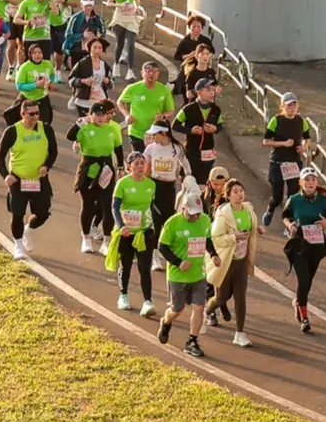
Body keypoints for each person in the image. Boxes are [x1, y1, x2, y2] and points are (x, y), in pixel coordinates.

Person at [155, 184, 217, 358]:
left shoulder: (205, 220)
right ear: (183, 209)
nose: (195, 217)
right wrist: (178, 262)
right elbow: (162, 247)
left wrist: (213, 254)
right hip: (178, 276)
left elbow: (207, 239)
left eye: (198, 213)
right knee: (177, 310)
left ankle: (192, 341)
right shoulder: (173, 224)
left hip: (198, 274)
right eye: (192, 213)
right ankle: (166, 322)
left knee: (199, 307)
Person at [0, 103, 58, 260]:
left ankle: (28, 229)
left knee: (43, 213)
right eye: (31, 114)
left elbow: (53, 151)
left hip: (39, 180)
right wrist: (5, 175)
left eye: (37, 113)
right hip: (18, 180)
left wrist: (47, 166)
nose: (35, 117)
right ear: (23, 114)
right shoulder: (12, 131)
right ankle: (18, 245)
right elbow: (0, 154)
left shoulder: (46, 129)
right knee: (18, 213)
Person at [205, 178, 259, 348]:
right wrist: (234, 237)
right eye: (235, 192)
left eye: (241, 191)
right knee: (221, 298)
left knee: (241, 297)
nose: (239, 194)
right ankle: (206, 310)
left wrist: (259, 230)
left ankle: (240, 333)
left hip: (241, 261)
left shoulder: (248, 210)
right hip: (226, 262)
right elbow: (215, 239)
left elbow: (252, 228)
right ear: (228, 196)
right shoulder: (223, 215)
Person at [66, 99, 123, 254]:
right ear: (90, 115)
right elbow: (70, 136)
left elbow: (118, 148)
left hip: (106, 169)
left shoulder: (111, 129)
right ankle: (86, 239)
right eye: (97, 115)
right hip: (89, 169)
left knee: (107, 205)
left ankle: (106, 241)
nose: (100, 118)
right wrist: (80, 123)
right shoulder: (85, 128)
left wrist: (122, 167)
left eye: (103, 115)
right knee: (88, 206)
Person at [280, 166, 326, 330]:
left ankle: (298, 302)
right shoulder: (294, 199)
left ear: (317, 182)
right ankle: (304, 318)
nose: (310, 183)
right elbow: (285, 215)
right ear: (300, 182)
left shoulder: (324, 200)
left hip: (316, 245)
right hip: (299, 243)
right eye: (307, 180)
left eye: (313, 180)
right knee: (303, 279)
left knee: (308, 280)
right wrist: (290, 225)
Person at [110, 152, 158, 314]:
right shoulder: (122, 183)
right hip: (126, 232)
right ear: (129, 166)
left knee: (145, 267)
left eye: (142, 163)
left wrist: (151, 227)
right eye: (136, 163)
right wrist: (121, 225)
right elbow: (115, 207)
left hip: (144, 232)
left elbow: (150, 207)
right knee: (126, 264)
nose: (140, 166)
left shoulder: (151, 185)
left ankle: (147, 301)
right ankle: (123, 295)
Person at [260, 93, 313, 228]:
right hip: (277, 162)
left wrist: (304, 147)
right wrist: (283, 143)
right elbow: (265, 141)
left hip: (294, 162)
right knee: (277, 197)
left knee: (293, 197)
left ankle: (290, 225)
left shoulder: (302, 121)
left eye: (294, 104)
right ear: (282, 106)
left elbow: (307, 138)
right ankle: (270, 210)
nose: (292, 107)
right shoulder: (276, 120)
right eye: (289, 105)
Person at [117, 62, 177, 156]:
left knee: (154, 160)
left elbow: (171, 111)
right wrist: (127, 115)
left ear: (158, 74)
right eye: (148, 71)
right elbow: (120, 102)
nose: (151, 74)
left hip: (156, 133)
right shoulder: (132, 88)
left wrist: (163, 116)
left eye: (154, 71)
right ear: (142, 73)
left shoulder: (164, 90)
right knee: (141, 160)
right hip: (136, 132)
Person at [172, 77, 223, 179]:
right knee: (188, 180)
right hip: (191, 151)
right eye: (208, 90)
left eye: (213, 89)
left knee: (204, 181)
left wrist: (215, 129)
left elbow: (220, 126)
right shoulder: (188, 108)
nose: (212, 92)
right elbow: (175, 125)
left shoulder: (216, 109)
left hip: (208, 151)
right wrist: (190, 131)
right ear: (199, 92)